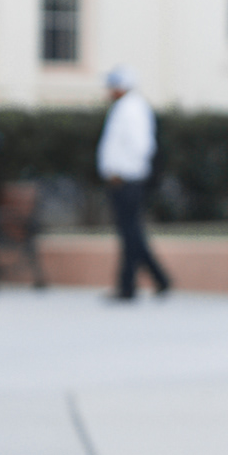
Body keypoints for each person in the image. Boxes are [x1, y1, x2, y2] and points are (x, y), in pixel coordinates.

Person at [98, 66, 171, 301]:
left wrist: (122, 172)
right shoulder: (124, 107)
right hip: (122, 179)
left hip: (127, 179)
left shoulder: (133, 108)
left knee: (130, 234)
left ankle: (128, 287)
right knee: (132, 233)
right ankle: (159, 279)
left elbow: (141, 146)